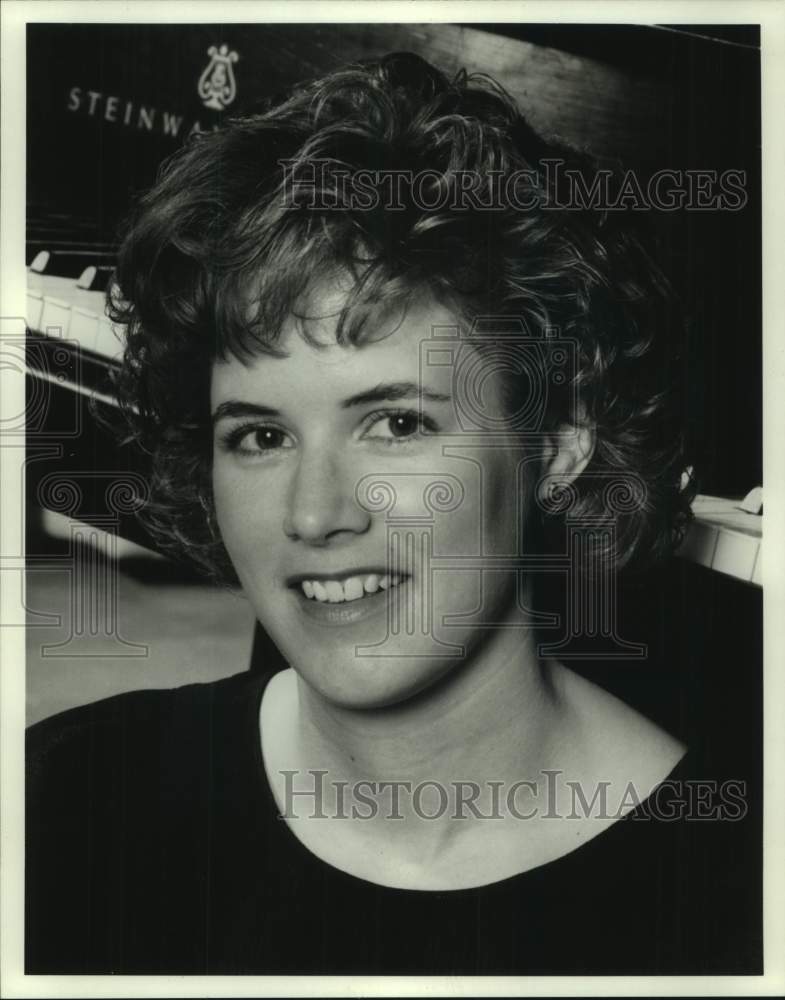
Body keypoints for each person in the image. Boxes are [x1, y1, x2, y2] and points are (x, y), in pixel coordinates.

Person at [26, 52, 760, 975]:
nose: (314, 513)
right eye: (259, 436)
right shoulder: (69, 798)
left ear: (559, 445)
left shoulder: (731, 902)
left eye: (398, 422)